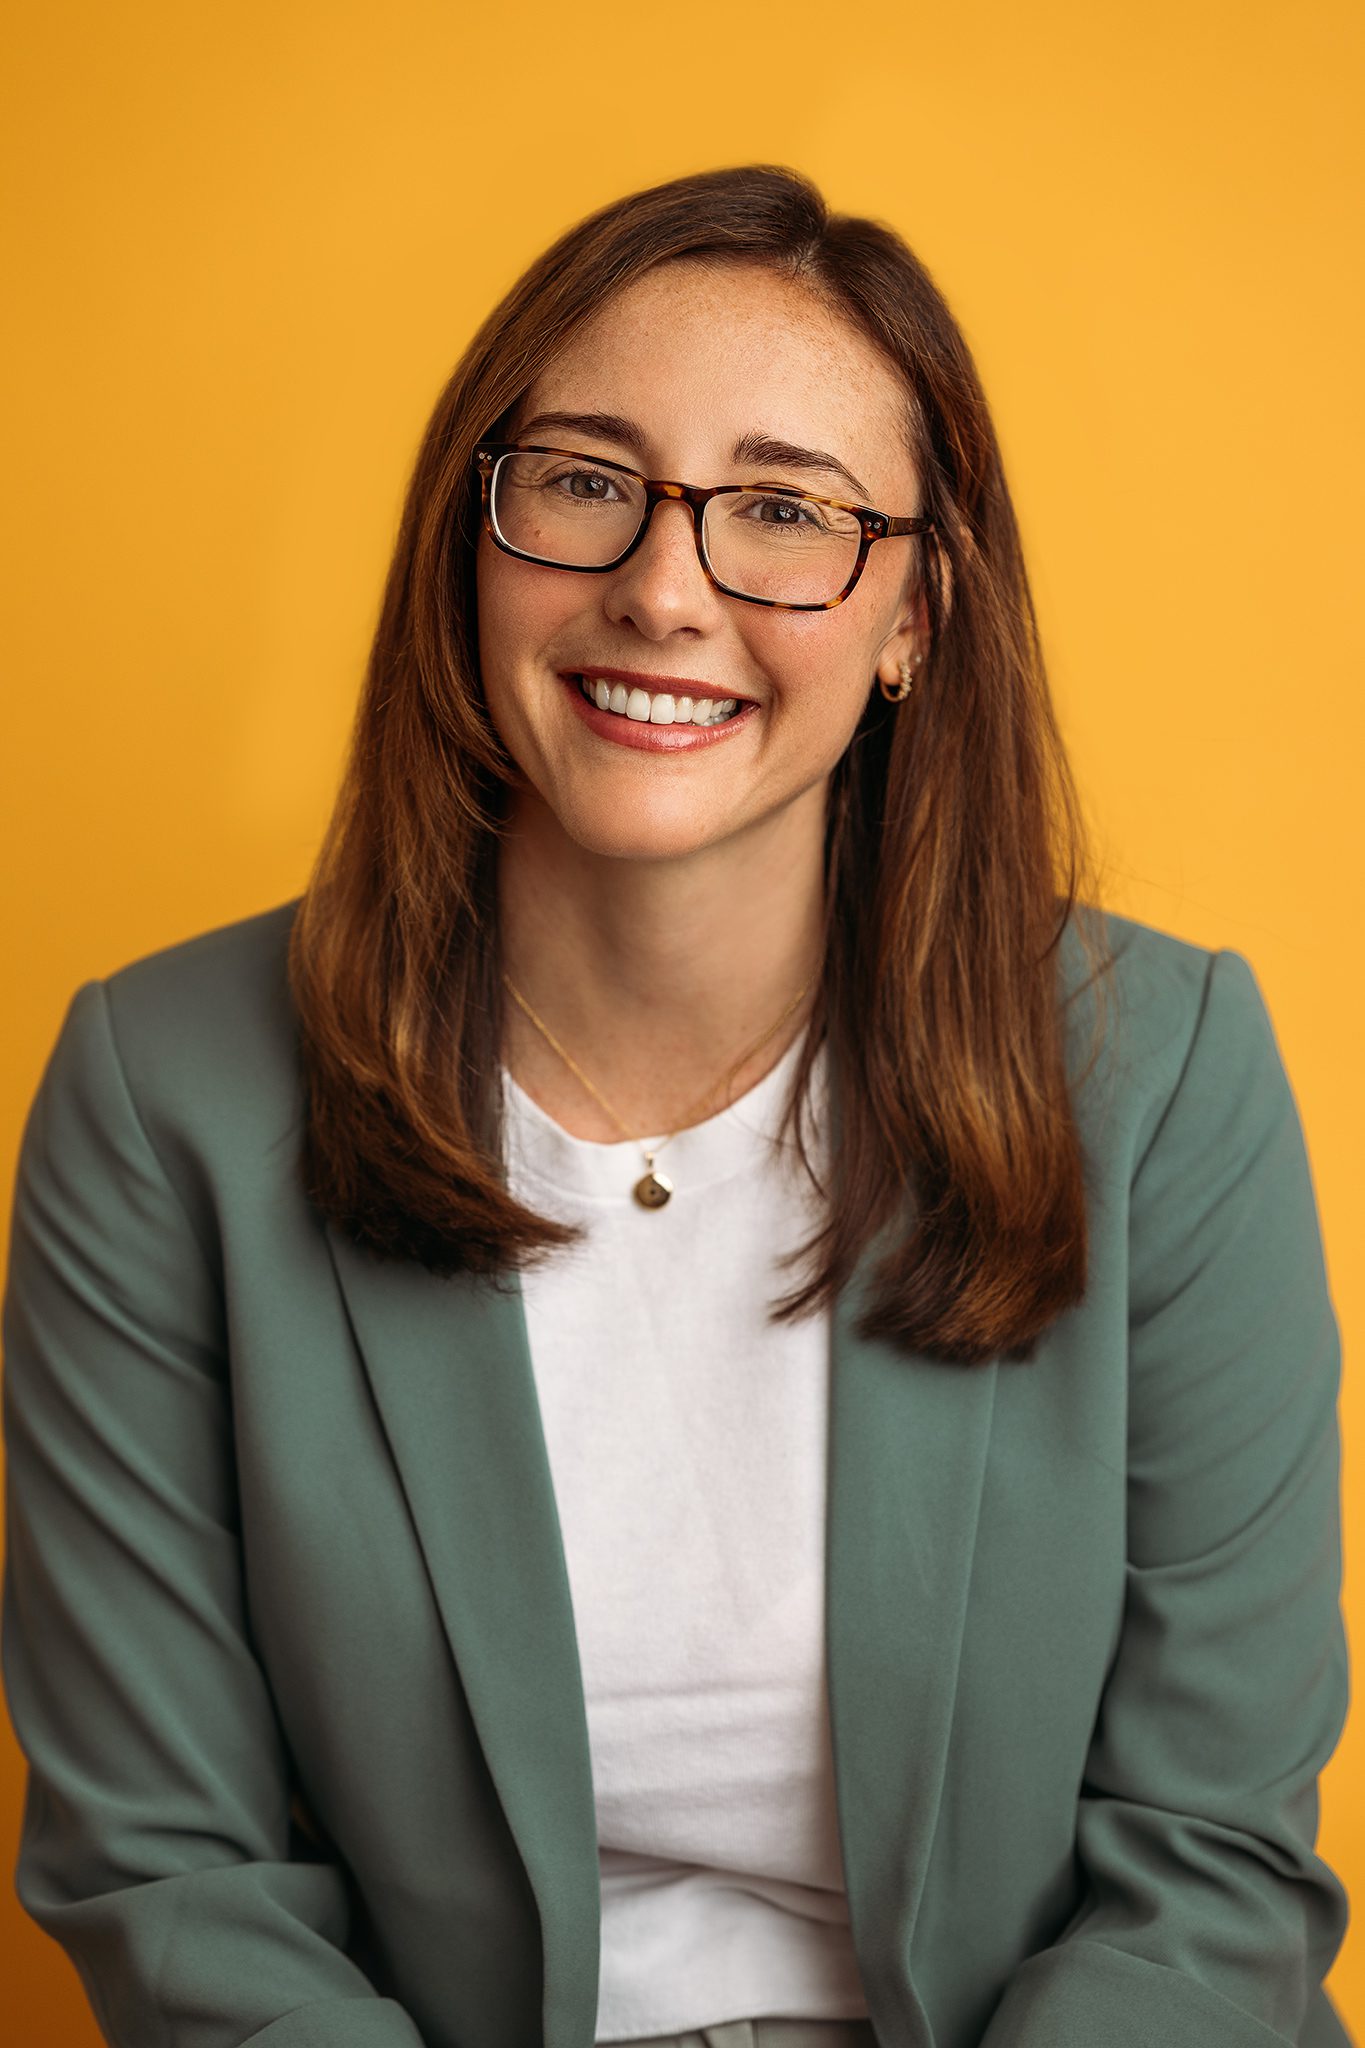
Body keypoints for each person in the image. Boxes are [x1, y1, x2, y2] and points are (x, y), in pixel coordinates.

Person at [0, 164, 1351, 2048]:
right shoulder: (167, 1097)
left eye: (783, 512)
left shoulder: (1165, 1074)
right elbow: (169, 1868)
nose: (660, 586)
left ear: (911, 617)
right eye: (581, 481)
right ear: (470, 539)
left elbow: (1204, 1866)